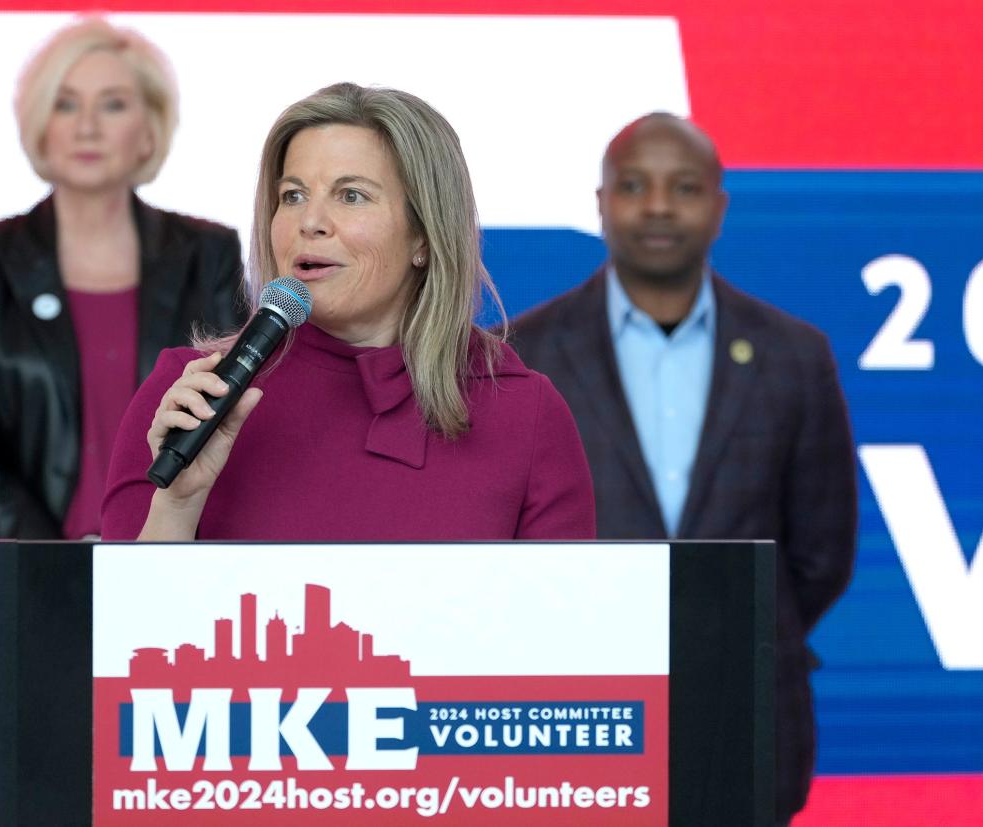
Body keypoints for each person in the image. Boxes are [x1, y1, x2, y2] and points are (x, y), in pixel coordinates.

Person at [507, 112, 857, 823]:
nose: (659, 205)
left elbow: (822, 555)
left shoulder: (796, 355)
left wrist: (733, 630)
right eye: (634, 185)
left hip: (749, 710)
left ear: (719, 206)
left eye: (684, 186)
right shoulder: (518, 355)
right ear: (601, 204)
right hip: (577, 710)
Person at [101, 82, 595, 544]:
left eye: (351, 195)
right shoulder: (193, 394)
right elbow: (118, 627)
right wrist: (177, 506)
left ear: (424, 235)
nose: (309, 222)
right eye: (292, 196)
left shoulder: (524, 412)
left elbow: (567, 627)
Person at [0, 18, 247, 638]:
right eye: (66, 103)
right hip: (19, 575)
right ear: (40, 122)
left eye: (113, 104)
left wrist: (140, 544)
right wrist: (53, 562)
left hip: (168, 573)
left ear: (149, 128)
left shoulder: (207, 253)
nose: (88, 126)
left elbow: (227, 415)